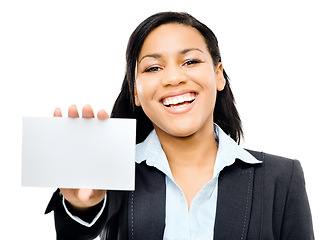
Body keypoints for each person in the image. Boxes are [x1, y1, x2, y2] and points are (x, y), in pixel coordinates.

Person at [45, 12, 314, 239]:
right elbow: (77, 229)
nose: (173, 78)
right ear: (136, 93)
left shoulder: (281, 177)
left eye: (191, 61)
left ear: (218, 76)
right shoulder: (114, 170)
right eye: (153, 68)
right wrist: (81, 206)